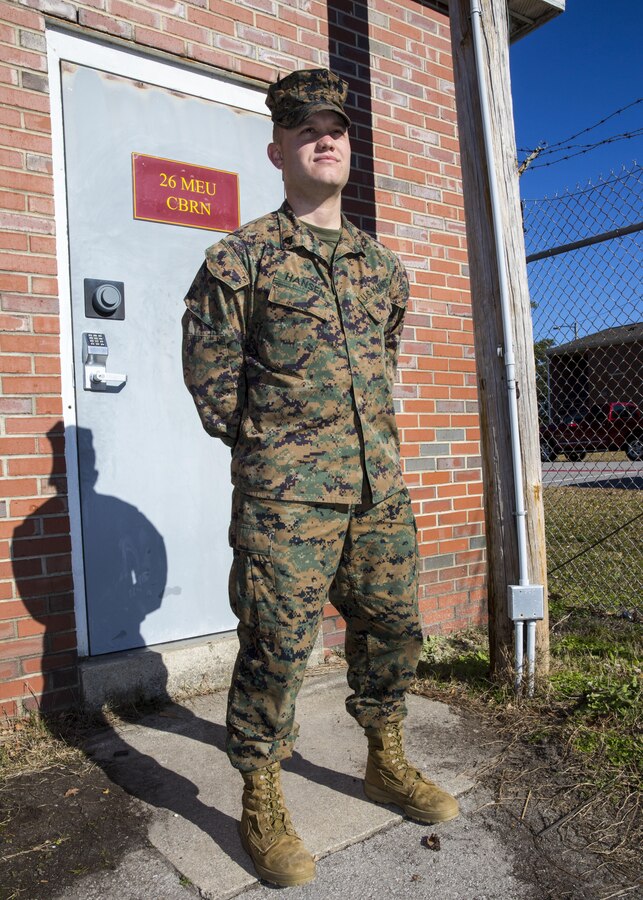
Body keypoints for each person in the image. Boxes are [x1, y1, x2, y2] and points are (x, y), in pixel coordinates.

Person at [181, 67, 459, 888]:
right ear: (278, 149)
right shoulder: (240, 260)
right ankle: (260, 793)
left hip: (379, 491)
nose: (325, 139)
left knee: (393, 630)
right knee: (276, 647)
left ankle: (384, 756)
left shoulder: (383, 269)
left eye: (335, 127)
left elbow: (382, 364)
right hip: (286, 500)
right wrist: (277, 454)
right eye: (306, 129)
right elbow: (212, 383)